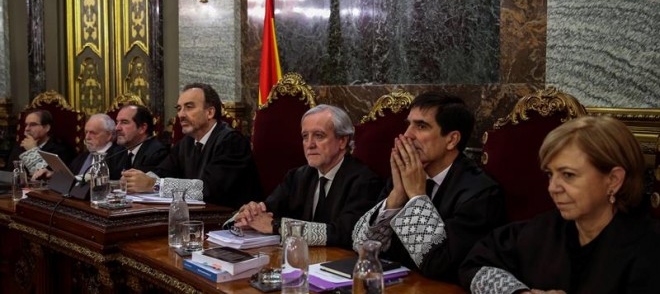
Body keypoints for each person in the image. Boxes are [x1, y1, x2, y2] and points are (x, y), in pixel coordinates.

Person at [460, 116, 660, 293]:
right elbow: (476, 263)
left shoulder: (649, 248)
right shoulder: (544, 229)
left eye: (568, 175)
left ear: (613, 180)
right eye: (550, 174)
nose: (552, 188)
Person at [352, 92, 505, 282]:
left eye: (421, 126)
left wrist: (417, 196)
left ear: (451, 140)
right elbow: (362, 247)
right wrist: (397, 195)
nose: (407, 135)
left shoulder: (481, 193)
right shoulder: (404, 176)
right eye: (408, 124)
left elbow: (440, 265)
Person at [229, 105, 383, 249]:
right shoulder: (297, 176)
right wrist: (249, 214)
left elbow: (346, 233)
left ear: (342, 141)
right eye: (305, 136)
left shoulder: (364, 180)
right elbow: (268, 209)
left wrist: (277, 226)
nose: (309, 144)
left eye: (319, 136)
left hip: (341, 268)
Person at [121, 83, 261, 208]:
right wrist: (136, 180)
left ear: (210, 112)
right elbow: (163, 171)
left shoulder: (231, 142)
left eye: (189, 107)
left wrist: (153, 185)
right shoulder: (186, 143)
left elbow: (208, 190)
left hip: (230, 222)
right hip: (197, 216)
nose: (181, 115)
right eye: (179, 108)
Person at [6, 109, 75, 175]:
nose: (27, 129)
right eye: (26, 125)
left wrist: (32, 150)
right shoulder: (19, 146)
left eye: (33, 125)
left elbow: (49, 177)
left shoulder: (60, 149)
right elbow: (10, 173)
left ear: (46, 128)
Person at [68, 113, 125, 180]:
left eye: (93, 133)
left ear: (109, 135)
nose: (87, 137)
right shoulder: (81, 157)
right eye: (86, 132)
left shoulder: (119, 156)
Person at [115, 104, 169, 173]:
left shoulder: (157, 154)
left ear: (142, 128)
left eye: (124, 122)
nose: (117, 128)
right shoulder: (118, 152)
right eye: (117, 122)